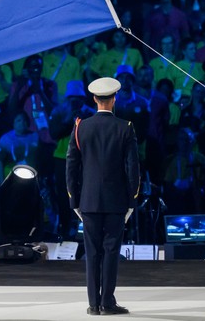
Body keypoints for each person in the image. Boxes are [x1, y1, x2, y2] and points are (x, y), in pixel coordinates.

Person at [66, 77, 140, 316]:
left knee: (93, 253)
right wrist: (131, 200)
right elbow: (133, 169)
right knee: (110, 252)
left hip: (88, 200)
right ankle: (107, 302)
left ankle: (93, 304)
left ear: (94, 99)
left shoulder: (81, 126)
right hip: (116, 200)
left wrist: (74, 200)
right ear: (114, 98)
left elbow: (71, 167)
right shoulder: (125, 127)